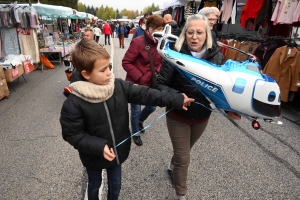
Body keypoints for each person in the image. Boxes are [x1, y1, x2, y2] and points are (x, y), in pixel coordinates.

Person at [60, 39, 194, 200]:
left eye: (109, 67)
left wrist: (176, 99)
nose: (109, 72)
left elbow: (147, 94)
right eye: (102, 70)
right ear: (86, 74)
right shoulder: (74, 102)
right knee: (94, 184)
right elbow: (72, 134)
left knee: (115, 186)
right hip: (93, 156)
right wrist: (98, 146)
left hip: (118, 151)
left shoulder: (119, 86)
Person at [155, 14, 241, 200]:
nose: (194, 36)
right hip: (178, 115)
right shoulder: (174, 54)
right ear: (185, 34)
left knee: (184, 152)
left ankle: (172, 165)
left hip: (202, 116)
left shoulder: (218, 58)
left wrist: (229, 109)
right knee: (184, 158)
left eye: (199, 32)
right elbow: (159, 84)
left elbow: (222, 90)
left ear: (206, 34)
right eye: (190, 32)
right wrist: (177, 97)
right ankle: (181, 195)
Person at [122, 15, 165, 146]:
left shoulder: (160, 43)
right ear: (151, 29)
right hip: (135, 83)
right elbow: (126, 62)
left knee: (151, 107)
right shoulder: (138, 42)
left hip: (151, 83)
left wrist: (157, 71)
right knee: (135, 110)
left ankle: (140, 121)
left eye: (163, 28)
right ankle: (135, 133)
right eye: (160, 28)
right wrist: (140, 77)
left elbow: (160, 61)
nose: (162, 31)